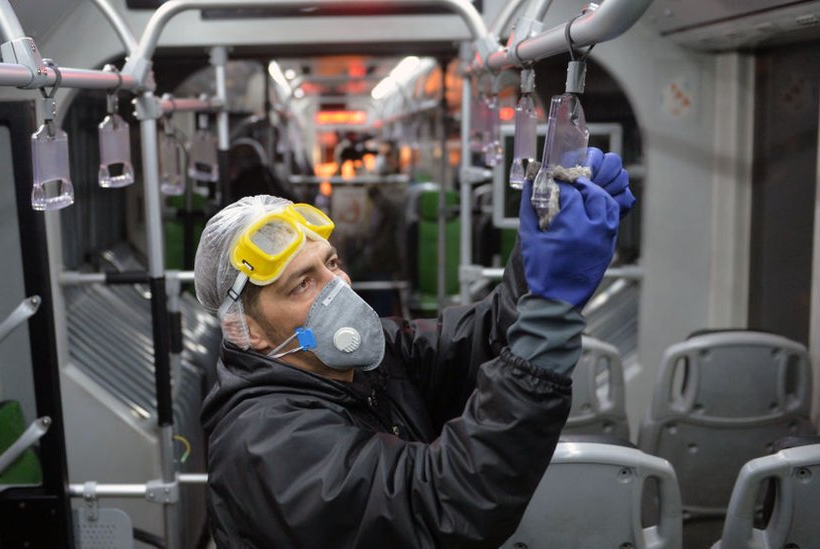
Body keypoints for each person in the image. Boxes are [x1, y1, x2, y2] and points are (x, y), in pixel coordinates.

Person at [194, 148, 635, 547]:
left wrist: (540, 257)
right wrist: (547, 320)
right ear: (248, 330)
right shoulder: (267, 446)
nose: (340, 288)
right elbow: (436, 507)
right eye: (302, 284)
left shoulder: (360, 360)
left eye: (331, 264)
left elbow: (475, 339)